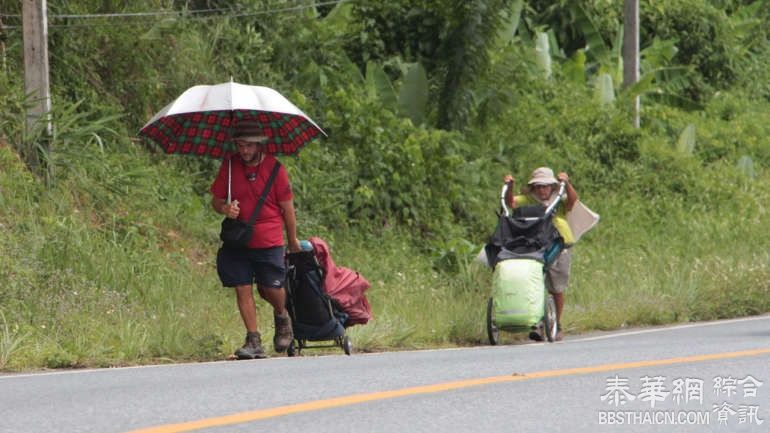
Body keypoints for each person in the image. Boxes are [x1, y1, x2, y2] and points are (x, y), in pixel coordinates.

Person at [210, 121, 302, 359]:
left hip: (269, 239)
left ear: (260, 145)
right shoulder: (229, 166)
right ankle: (253, 340)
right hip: (238, 239)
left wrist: (292, 240)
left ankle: (282, 315)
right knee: (242, 287)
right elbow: (216, 200)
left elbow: (288, 209)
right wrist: (225, 208)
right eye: (240, 145)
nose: (244, 150)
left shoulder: (276, 170)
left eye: (249, 145)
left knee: (270, 287)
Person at [503, 167, 578, 341]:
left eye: (545, 186)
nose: (542, 190)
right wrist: (510, 186)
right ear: (533, 188)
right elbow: (511, 203)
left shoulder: (558, 198)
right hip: (536, 243)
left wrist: (566, 184)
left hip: (559, 243)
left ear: (551, 186)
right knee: (535, 283)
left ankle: (557, 324)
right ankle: (538, 324)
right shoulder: (529, 199)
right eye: (538, 187)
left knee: (556, 287)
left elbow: (572, 202)